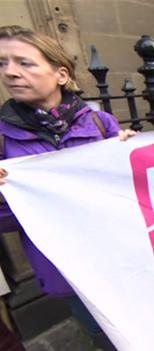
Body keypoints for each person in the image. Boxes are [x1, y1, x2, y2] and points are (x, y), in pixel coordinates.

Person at [0, 25, 136, 349]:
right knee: (104, 336)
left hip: (118, 258)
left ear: (61, 74)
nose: (11, 72)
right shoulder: (3, 139)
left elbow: (132, 191)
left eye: (25, 62)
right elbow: (5, 222)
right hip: (68, 270)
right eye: (3, 63)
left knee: (136, 325)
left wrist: (134, 155)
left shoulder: (101, 123)